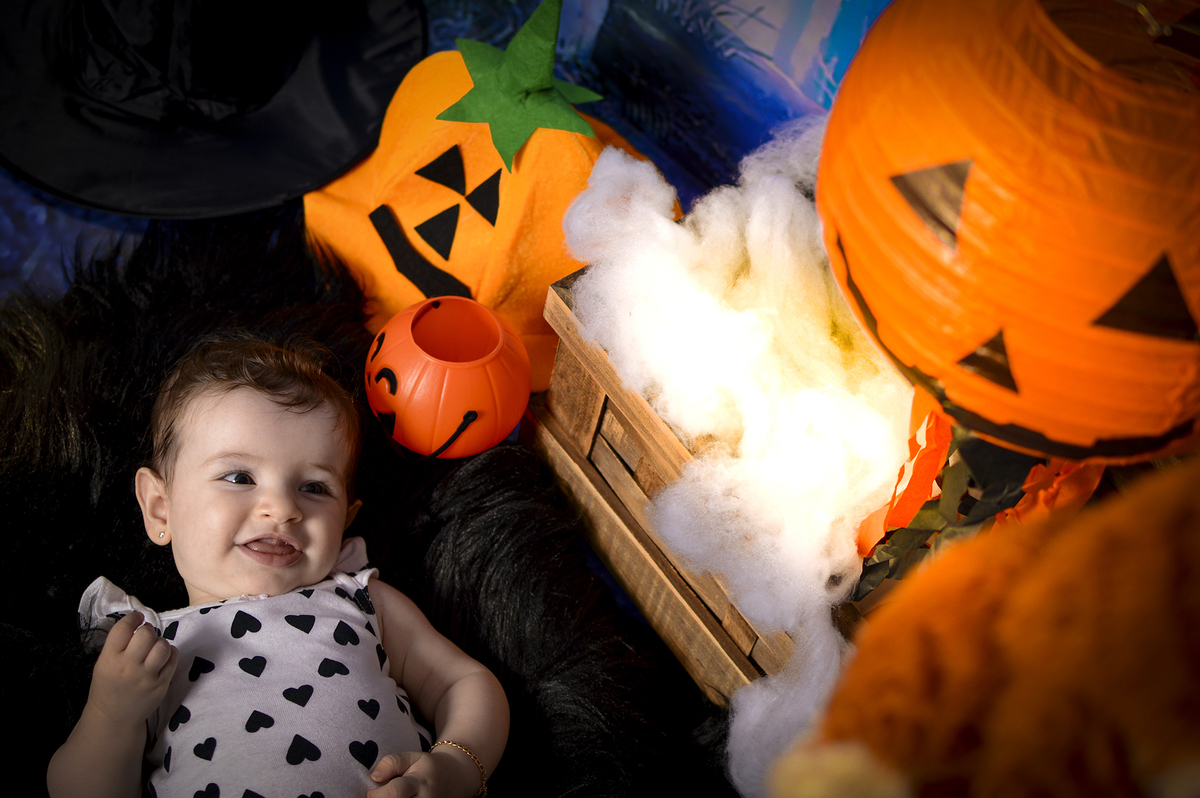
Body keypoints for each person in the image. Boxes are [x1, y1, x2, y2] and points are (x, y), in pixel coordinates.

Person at [47, 334, 509, 798]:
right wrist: (111, 715)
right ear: (161, 509)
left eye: (314, 487)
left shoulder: (360, 599)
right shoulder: (152, 653)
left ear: (346, 517)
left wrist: (456, 765)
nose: (282, 508)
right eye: (239, 477)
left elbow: (463, 682)